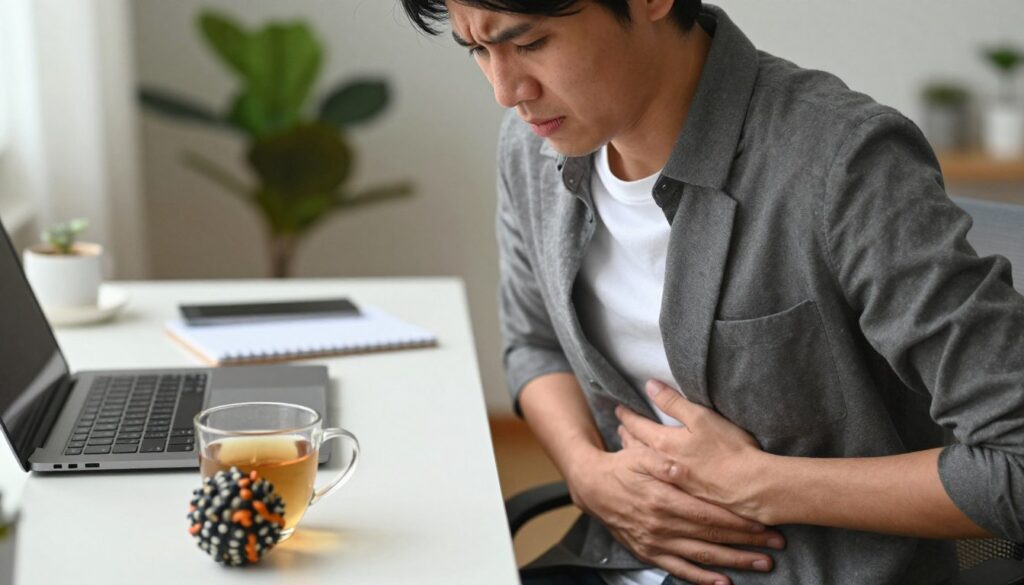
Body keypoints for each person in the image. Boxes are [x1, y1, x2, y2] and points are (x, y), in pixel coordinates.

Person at [399, 1, 1024, 584]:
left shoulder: (843, 164)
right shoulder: (532, 150)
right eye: (476, 51)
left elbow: (1014, 462)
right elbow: (535, 346)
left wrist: (760, 483)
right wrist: (588, 474)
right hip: (617, 554)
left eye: (530, 42)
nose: (508, 92)